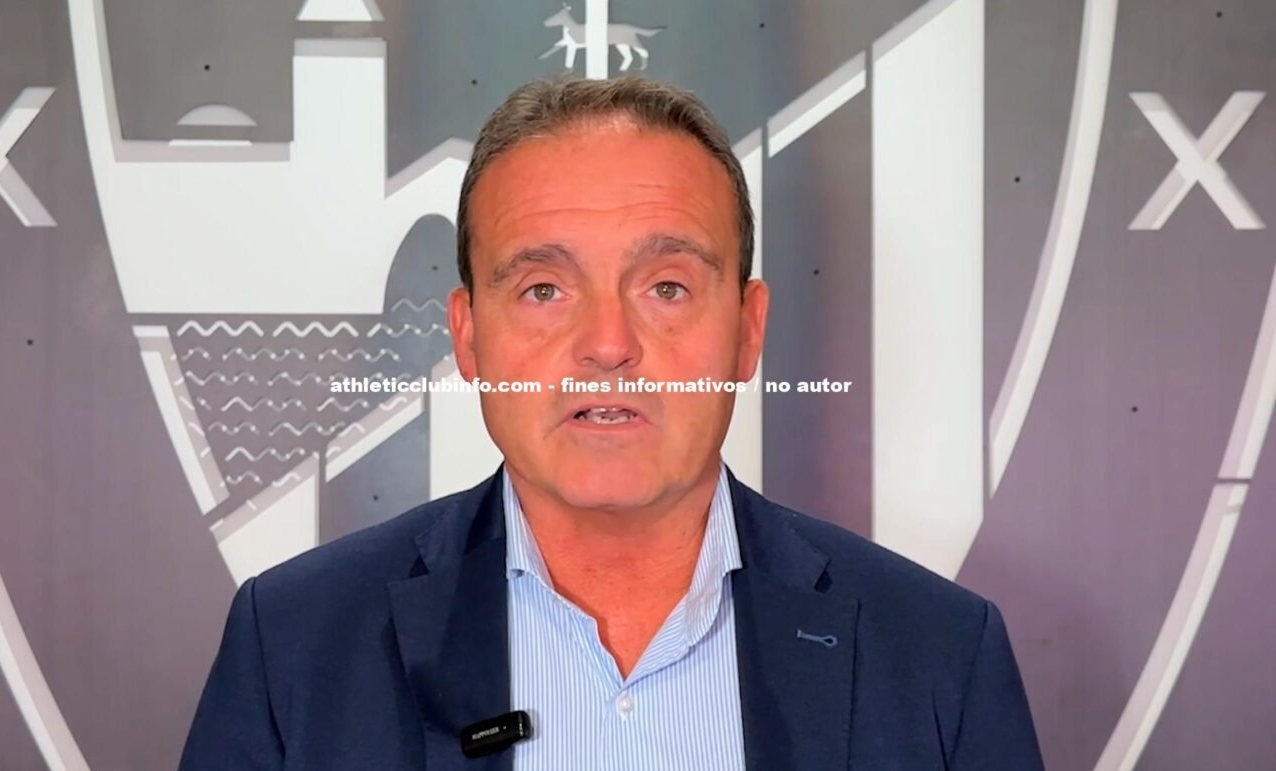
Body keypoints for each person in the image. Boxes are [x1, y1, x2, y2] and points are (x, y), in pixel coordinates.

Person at [179, 75, 1044, 770]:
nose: (607, 343)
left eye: (666, 286)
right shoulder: (292, 646)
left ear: (748, 331)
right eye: (543, 289)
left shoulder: (941, 657)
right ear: (468, 337)